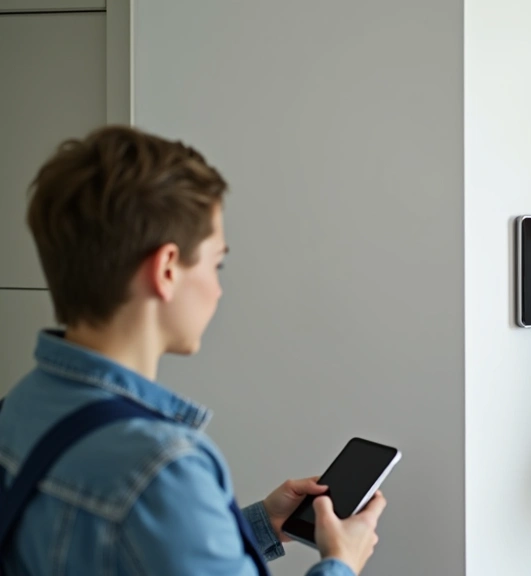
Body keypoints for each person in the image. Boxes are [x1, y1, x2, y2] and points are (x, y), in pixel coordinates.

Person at [0, 126, 386, 575]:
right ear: (166, 269)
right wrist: (342, 562)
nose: (219, 289)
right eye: (215, 263)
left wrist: (260, 525)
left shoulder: (19, 408)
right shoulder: (161, 470)